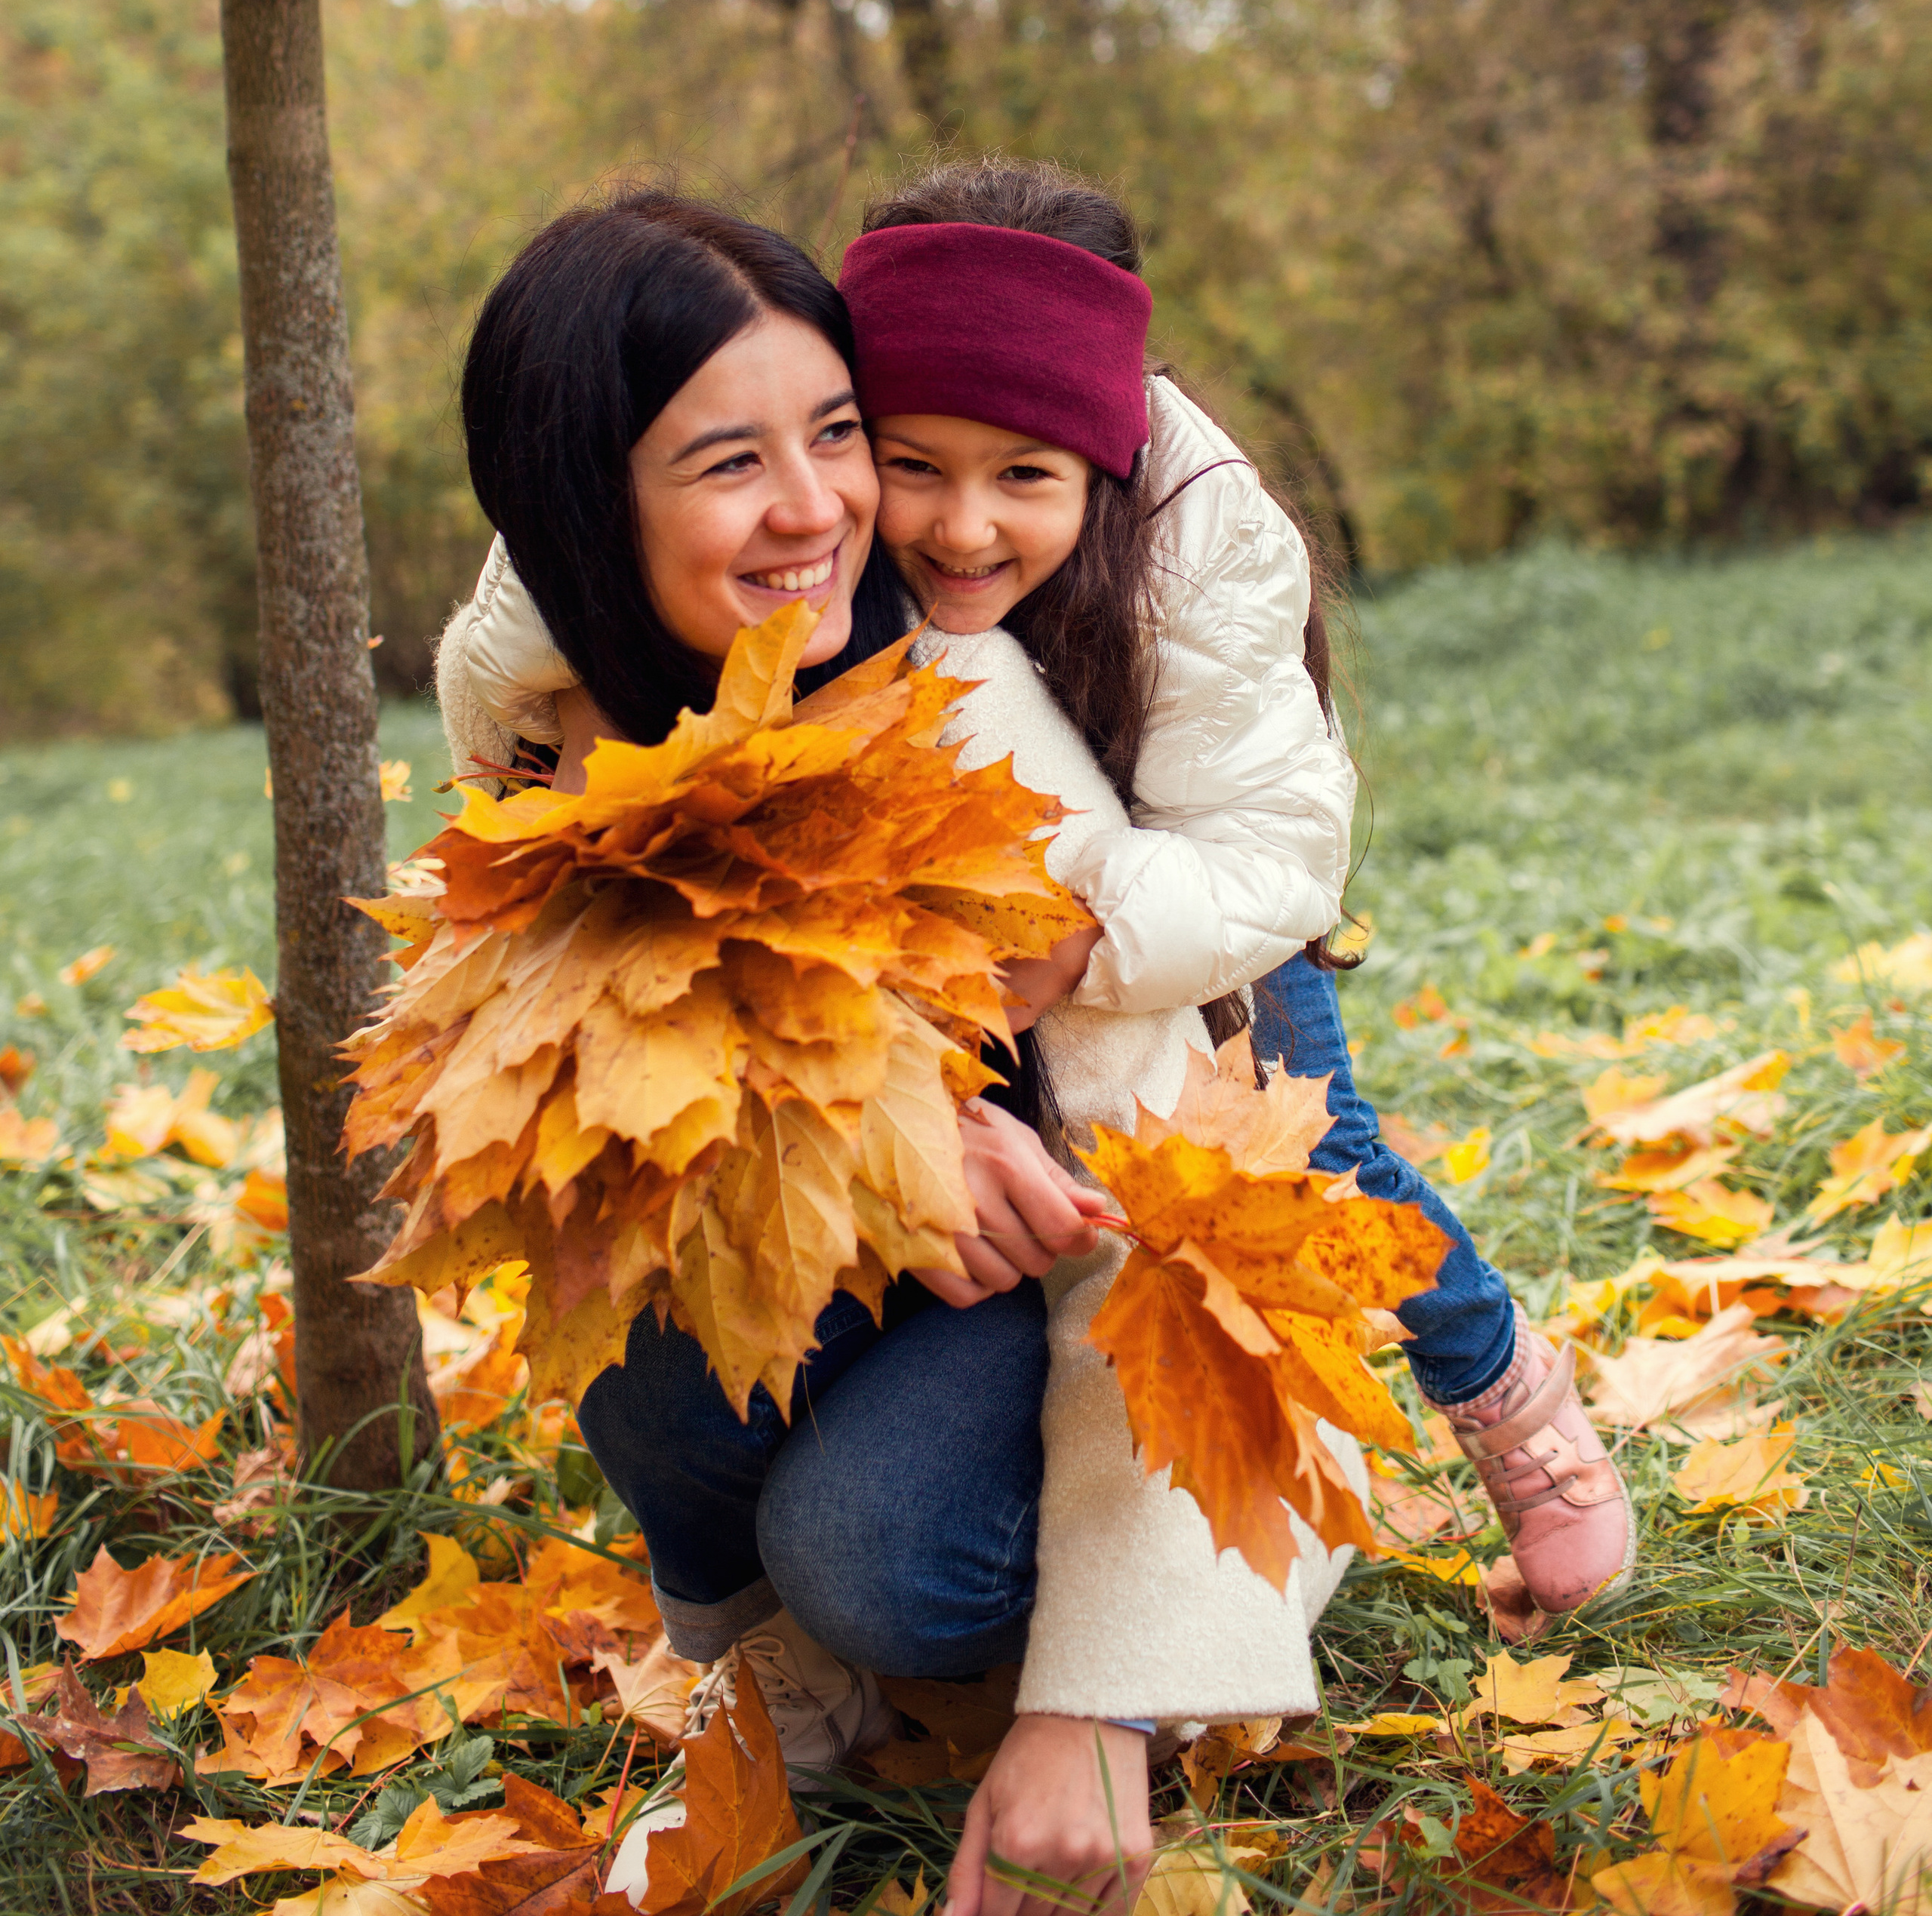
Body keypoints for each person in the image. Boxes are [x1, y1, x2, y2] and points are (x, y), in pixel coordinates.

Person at [462, 160, 1636, 1625]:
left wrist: (1096, 934)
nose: (958, 530)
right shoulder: (800, 494)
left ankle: (1494, 1383)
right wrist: (537, 754)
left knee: (1312, 1148)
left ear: (1100, 446)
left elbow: (1273, 845)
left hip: (1188, 896)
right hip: (933, 915)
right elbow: (522, 614)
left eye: (1022, 475)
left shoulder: (1197, 526)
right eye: (908, 462)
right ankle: (823, 1585)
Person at [441, 190, 1362, 1916]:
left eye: (835, 432)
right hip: (914, 1276)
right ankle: (766, 1693)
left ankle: (1179, 1592)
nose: (821, 510)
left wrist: (1095, 1703)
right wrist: (890, 1126)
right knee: (636, 1288)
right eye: (729, 462)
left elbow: (1181, 1205)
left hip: (1135, 1279)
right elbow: (571, 1073)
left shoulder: (965, 714)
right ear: (587, 508)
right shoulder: (569, 745)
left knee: (875, 1552)